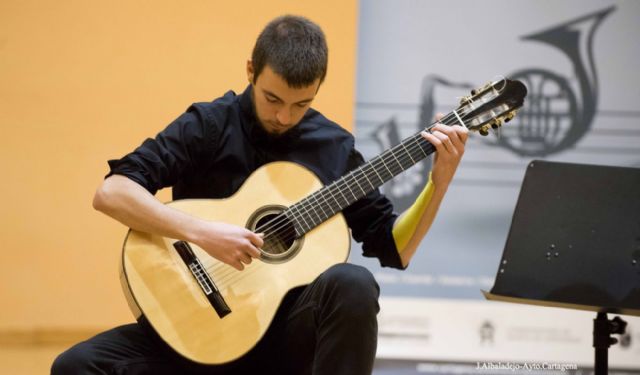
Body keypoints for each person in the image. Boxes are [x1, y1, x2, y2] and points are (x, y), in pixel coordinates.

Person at [52, 14, 468, 375]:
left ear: (318, 89)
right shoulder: (210, 125)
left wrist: (439, 184)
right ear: (251, 70)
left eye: (301, 105)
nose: (284, 116)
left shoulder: (334, 148)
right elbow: (112, 192)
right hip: (192, 333)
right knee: (76, 366)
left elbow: (395, 248)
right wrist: (202, 233)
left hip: (281, 344)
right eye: (273, 99)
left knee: (353, 282)